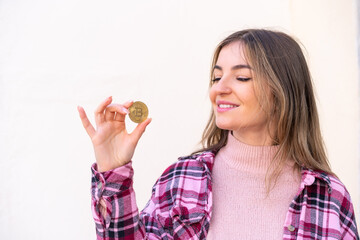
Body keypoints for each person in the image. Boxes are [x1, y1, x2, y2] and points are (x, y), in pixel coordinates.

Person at [78, 29, 359, 239]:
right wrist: (113, 170)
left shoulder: (329, 197)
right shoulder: (182, 179)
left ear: (281, 92)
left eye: (242, 77)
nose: (219, 89)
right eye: (216, 77)